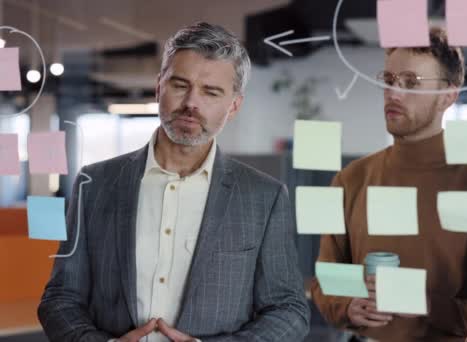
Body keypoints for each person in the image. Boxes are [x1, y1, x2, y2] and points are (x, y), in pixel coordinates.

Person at [38, 22, 310, 342]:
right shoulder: (95, 184)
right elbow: (59, 299)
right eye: (180, 85)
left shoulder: (264, 197)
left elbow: (290, 310)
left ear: (234, 105)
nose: (191, 103)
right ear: (159, 87)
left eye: (211, 92)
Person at [310, 27, 467, 341]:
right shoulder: (350, 180)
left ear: (448, 96)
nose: (393, 93)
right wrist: (347, 305)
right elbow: (326, 280)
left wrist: (425, 302)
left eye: (410, 83)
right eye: (388, 81)